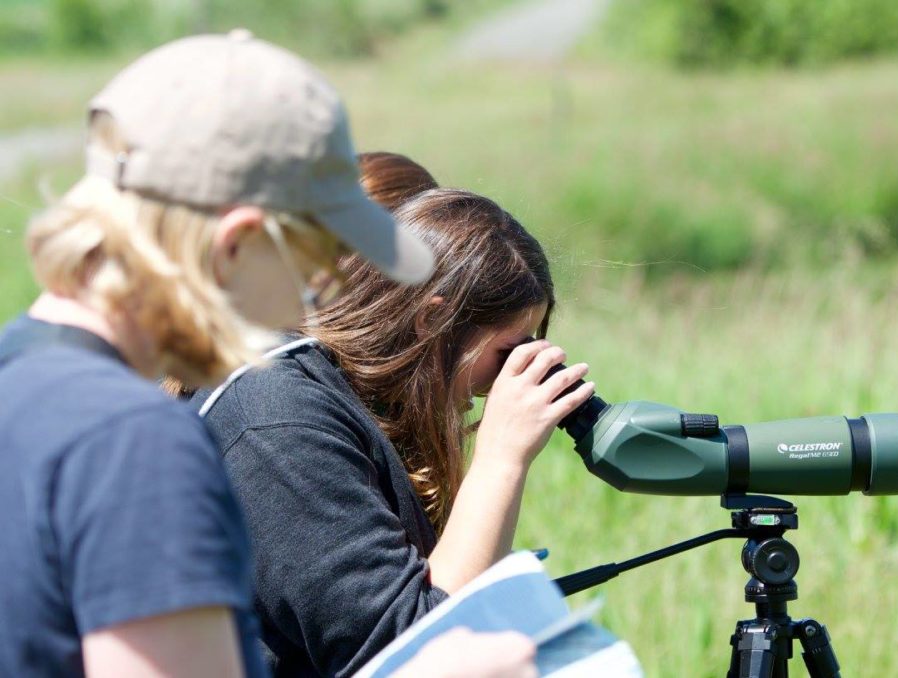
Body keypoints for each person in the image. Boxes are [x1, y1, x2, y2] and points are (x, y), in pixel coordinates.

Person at [0, 31, 456, 678]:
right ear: (236, 243)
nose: (317, 301)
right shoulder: (136, 441)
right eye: (317, 266)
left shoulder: (17, 375)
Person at [194, 181, 593, 677]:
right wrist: (501, 459)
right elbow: (412, 656)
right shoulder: (278, 421)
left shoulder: (343, 396)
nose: (497, 385)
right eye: (505, 354)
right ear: (433, 318)